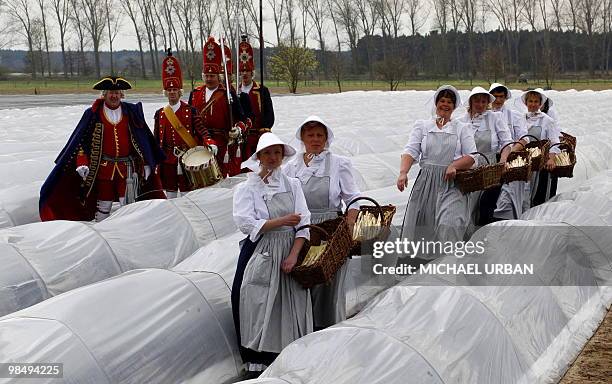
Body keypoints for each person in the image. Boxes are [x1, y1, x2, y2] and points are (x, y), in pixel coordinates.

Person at [231, 132, 312, 376]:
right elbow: (245, 223)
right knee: (252, 298)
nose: (273, 157)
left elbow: (303, 222)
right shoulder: (248, 187)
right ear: (259, 157)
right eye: (267, 153)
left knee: (289, 302)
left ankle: (289, 354)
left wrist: (294, 255)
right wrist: (280, 221)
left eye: (277, 152)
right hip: (261, 248)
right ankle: (258, 359)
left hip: (288, 247)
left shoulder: (293, 184)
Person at [40, 76, 165, 222]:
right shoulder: (93, 114)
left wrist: (146, 162)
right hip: (104, 170)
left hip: (127, 170)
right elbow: (81, 142)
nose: (114, 96)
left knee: (128, 203)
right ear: (104, 94)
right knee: (104, 205)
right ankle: (103, 231)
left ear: (122, 94)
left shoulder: (131, 112)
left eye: (117, 93)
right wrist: (81, 162)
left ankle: (129, 229)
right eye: (111, 93)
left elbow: (142, 139)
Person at [283, 116, 361, 329]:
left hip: (330, 231)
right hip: (302, 230)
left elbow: (352, 197)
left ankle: (328, 329)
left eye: (320, 135)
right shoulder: (291, 167)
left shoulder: (338, 164)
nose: (315, 139)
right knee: (303, 282)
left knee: (329, 284)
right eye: (310, 135)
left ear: (327, 138)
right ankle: (304, 329)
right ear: (303, 138)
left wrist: (350, 221)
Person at [397, 85, 476, 261]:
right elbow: (410, 150)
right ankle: (424, 264)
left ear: (454, 106)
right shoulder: (423, 126)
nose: (445, 105)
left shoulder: (462, 128)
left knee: (449, 223)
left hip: (451, 183)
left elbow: (472, 157)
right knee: (425, 224)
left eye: (449, 102)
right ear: (436, 103)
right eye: (442, 101)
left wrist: (455, 165)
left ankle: (451, 263)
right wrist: (403, 173)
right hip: (427, 182)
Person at [154, 50, 218, 198]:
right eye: (169, 90)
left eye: (175, 90)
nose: (172, 93)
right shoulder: (160, 114)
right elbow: (156, 139)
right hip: (168, 160)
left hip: (188, 157)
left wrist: (210, 141)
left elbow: (202, 130)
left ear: (180, 91)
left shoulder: (191, 110)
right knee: (169, 194)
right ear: (166, 92)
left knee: (187, 195)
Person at [189, 36, 248, 177]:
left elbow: (243, 119)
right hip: (200, 143)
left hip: (222, 144)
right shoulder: (195, 93)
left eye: (212, 76)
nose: (209, 79)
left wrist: (238, 129)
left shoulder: (228, 93)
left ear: (219, 77)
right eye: (207, 76)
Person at [459, 87, 512, 229]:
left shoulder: (495, 118)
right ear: (470, 102)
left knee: (486, 206)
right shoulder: (461, 121)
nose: (480, 105)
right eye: (477, 101)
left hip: (491, 168)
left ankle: (484, 235)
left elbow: (506, 143)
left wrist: (503, 161)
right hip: (469, 170)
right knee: (468, 206)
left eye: (484, 101)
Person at [488, 83, 529, 220]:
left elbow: (524, 139)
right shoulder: (484, 116)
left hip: (510, 160)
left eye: (501, 97)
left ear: (506, 98)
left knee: (506, 198)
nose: (498, 100)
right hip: (489, 160)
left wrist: (510, 152)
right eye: (495, 96)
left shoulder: (515, 116)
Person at [520, 88, 560, 209]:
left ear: (540, 104)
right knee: (523, 195)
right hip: (524, 163)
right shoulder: (521, 119)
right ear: (526, 103)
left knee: (538, 196)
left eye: (536, 101)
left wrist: (551, 159)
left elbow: (554, 141)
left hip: (540, 164)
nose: (533, 104)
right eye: (530, 101)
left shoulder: (547, 121)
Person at [238, 34, 275, 159]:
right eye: (242, 71)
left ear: (251, 72)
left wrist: (265, 129)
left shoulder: (262, 90)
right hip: (240, 138)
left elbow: (269, 113)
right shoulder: (235, 91)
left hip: (257, 136)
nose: (244, 74)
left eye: (247, 71)